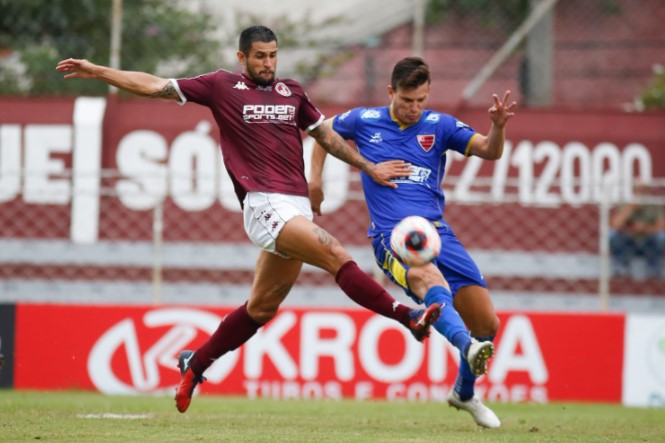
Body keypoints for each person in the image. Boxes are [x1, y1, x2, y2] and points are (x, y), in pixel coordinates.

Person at [56, 26, 447, 413]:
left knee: (262, 308)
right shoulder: (221, 86)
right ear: (242, 57)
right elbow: (154, 84)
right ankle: (408, 316)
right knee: (333, 251)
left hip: (294, 207)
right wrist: (100, 71)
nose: (268, 62)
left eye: (273, 55)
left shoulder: (291, 91)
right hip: (263, 204)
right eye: (260, 56)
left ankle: (195, 364)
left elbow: (326, 136)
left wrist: (362, 169)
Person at [309, 57, 517, 428]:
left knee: (487, 323)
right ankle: (466, 347)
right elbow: (321, 131)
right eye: (408, 100)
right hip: (392, 237)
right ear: (391, 92)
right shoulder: (364, 121)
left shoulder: (440, 126)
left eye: (421, 99)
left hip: (437, 233)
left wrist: (497, 127)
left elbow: (489, 149)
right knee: (428, 280)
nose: (415, 107)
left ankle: (464, 393)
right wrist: (316, 181)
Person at [610, 182, 665, 279]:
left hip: (648, 240)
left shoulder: (655, 204)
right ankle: (621, 267)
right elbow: (615, 224)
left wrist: (644, 228)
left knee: (661, 237)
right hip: (629, 239)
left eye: (644, 191)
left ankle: (654, 268)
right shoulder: (625, 203)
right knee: (612, 235)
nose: (641, 194)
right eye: (638, 191)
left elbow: (661, 226)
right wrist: (631, 207)